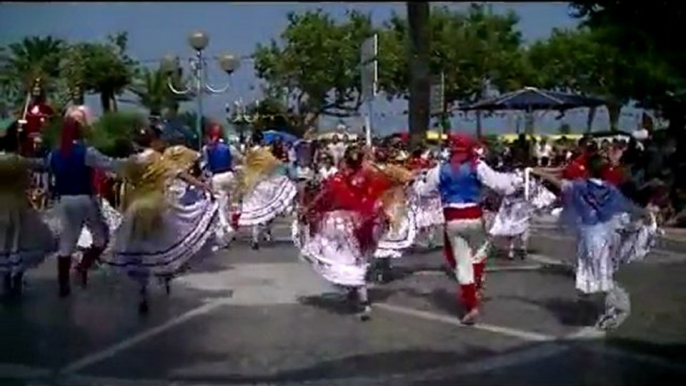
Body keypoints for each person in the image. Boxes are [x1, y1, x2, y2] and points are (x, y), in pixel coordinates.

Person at [532, 155, 659, 329]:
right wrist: (645, 213)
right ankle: (604, 305)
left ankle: (616, 306)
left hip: (592, 237)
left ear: (589, 169)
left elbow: (559, 183)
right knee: (599, 272)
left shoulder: (580, 186)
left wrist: (538, 172)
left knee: (597, 274)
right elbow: (626, 206)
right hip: (610, 234)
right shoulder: (610, 189)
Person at [105, 126, 217, 314]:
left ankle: (142, 291)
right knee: (160, 244)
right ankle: (164, 277)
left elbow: (116, 175)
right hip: (157, 207)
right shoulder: (158, 159)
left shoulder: (132, 162)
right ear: (152, 141)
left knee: (139, 249)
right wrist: (204, 186)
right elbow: (181, 174)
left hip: (135, 208)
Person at [414, 134, 519, 325]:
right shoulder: (477, 166)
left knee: (462, 263)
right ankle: (477, 284)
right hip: (474, 217)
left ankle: (471, 305)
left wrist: (417, 182)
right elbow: (501, 185)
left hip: (453, 220)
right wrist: (517, 179)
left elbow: (424, 191)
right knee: (479, 254)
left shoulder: (440, 169)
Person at [295, 146, 391, 320]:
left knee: (345, 260)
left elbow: (323, 197)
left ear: (345, 160)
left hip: (339, 224)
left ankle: (361, 298)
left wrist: (307, 210)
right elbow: (379, 197)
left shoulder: (337, 179)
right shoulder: (370, 177)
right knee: (359, 260)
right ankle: (358, 297)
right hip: (364, 223)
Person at [47, 109, 121, 295]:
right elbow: (110, 163)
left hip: (64, 200)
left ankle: (63, 283)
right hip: (84, 198)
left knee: (66, 242)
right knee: (101, 238)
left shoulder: (54, 154)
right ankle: (83, 266)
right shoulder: (87, 152)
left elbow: (44, 168)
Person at [0, 120, 57, 298]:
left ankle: (4, 282)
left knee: (3, 243)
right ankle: (16, 280)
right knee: (20, 242)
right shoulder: (22, 161)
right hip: (19, 205)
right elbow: (44, 164)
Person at [236, 131, 298, 250]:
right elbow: (275, 163)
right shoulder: (265, 153)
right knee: (266, 209)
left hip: (252, 184)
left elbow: (245, 165)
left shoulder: (249, 153)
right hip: (264, 182)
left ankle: (255, 239)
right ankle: (266, 232)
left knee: (254, 211)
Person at [202, 124, 236, 247]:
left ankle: (225, 227)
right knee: (228, 202)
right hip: (229, 175)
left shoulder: (207, 148)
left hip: (217, 176)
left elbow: (206, 165)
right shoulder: (228, 147)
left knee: (219, 204)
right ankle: (229, 223)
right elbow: (235, 160)